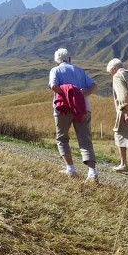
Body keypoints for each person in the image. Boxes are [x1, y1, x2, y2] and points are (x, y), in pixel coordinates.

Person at [49, 48, 98, 182]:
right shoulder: (79, 71)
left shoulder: (55, 70)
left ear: (56, 61)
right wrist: (81, 94)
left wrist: (66, 94)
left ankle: (70, 169)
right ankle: (92, 172)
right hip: (82, 108)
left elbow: (53, 86)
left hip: (63, 109)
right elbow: (94, 85)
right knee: (85, 139)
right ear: (69, 59)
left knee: (62, 138)